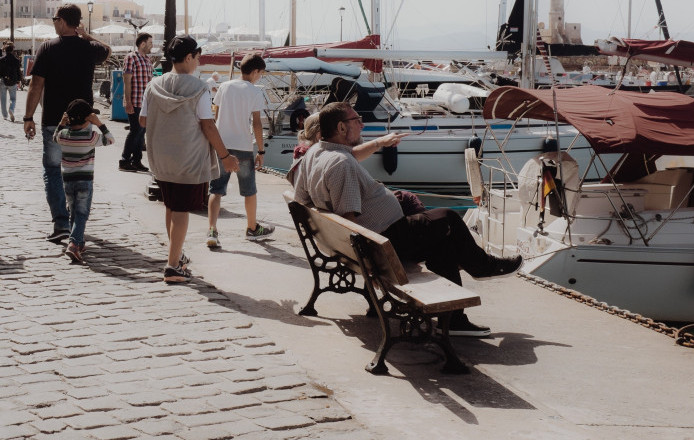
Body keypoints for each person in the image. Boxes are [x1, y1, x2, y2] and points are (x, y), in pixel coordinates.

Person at [292, 101, 522, 337]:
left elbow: (300, 198)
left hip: (363, 241)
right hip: (382, 243)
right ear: (341, 128)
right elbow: (349, 222)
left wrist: (381, 143)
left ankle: (454, 319)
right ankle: (482, 267)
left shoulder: (316, 153)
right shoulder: (341, 164)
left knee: (441, 242)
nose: (362, 125)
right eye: (356, 120)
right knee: (448, 218)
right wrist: (372, 264)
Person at [140, 36, 238, 284]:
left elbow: (143, 120)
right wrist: (225, 157)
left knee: (171, 206)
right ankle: (173, 266)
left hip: (161, 157)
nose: (198, 61)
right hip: (188, 157)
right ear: (188, 58)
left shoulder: (153, 86)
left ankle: (176, 255)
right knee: (181, 210)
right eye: (197, 57)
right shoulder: (199, 88)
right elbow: (208, 125)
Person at [23, 4, 111, 244]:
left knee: (53, 171)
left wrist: (28, 117)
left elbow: (36, 85)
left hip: (54, 120)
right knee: (81, 171)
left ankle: (61, 223)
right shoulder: (89, 47)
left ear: (62, 21)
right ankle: (76, 224)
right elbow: (107, 50)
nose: (53, 23)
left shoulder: (48, 48)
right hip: (84, 122)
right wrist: (86, 35)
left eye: (54, 19)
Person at [206, 54, 275, 250]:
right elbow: (257, 124)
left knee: (216, 190)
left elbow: (217, 116)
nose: (259, 77)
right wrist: (260, 150)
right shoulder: (254, 92)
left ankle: (212, 230)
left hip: (222, 146)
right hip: (243, 147)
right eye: (260, 74)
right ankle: (252, 228)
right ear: (254, 72)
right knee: (249, 190)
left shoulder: (225, 87)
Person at [54, 98, 114, 264]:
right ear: (88, 119)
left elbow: (54, 137)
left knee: (73, 211)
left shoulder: (63, 135)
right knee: (82, 213)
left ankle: (79, 242)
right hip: (85, 181)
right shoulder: (91, 136)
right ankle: (73, 243)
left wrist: (61, 123)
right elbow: (110, 139)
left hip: (67, 180)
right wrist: (100, 123)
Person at [119, 32, 154, 173]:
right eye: (150, 43)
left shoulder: (148, 60)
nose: (152, 46)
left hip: (145, 103)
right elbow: (127, 80)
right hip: (134, 101)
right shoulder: (131, 58)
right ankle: (124, 160)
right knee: (135, 131)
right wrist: (128, 101)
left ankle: (137, 160)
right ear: (143, 44)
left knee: (141, 132)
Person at [0, 42, 23, 122]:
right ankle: (11, 109)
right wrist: (19, 80)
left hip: (3, 81)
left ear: (5, 50)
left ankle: (5, 115)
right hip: (13, 81)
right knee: (13, 98)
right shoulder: (16, 60)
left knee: (3, 99)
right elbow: (18, 71)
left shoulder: (2, 59)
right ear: (12, 50)